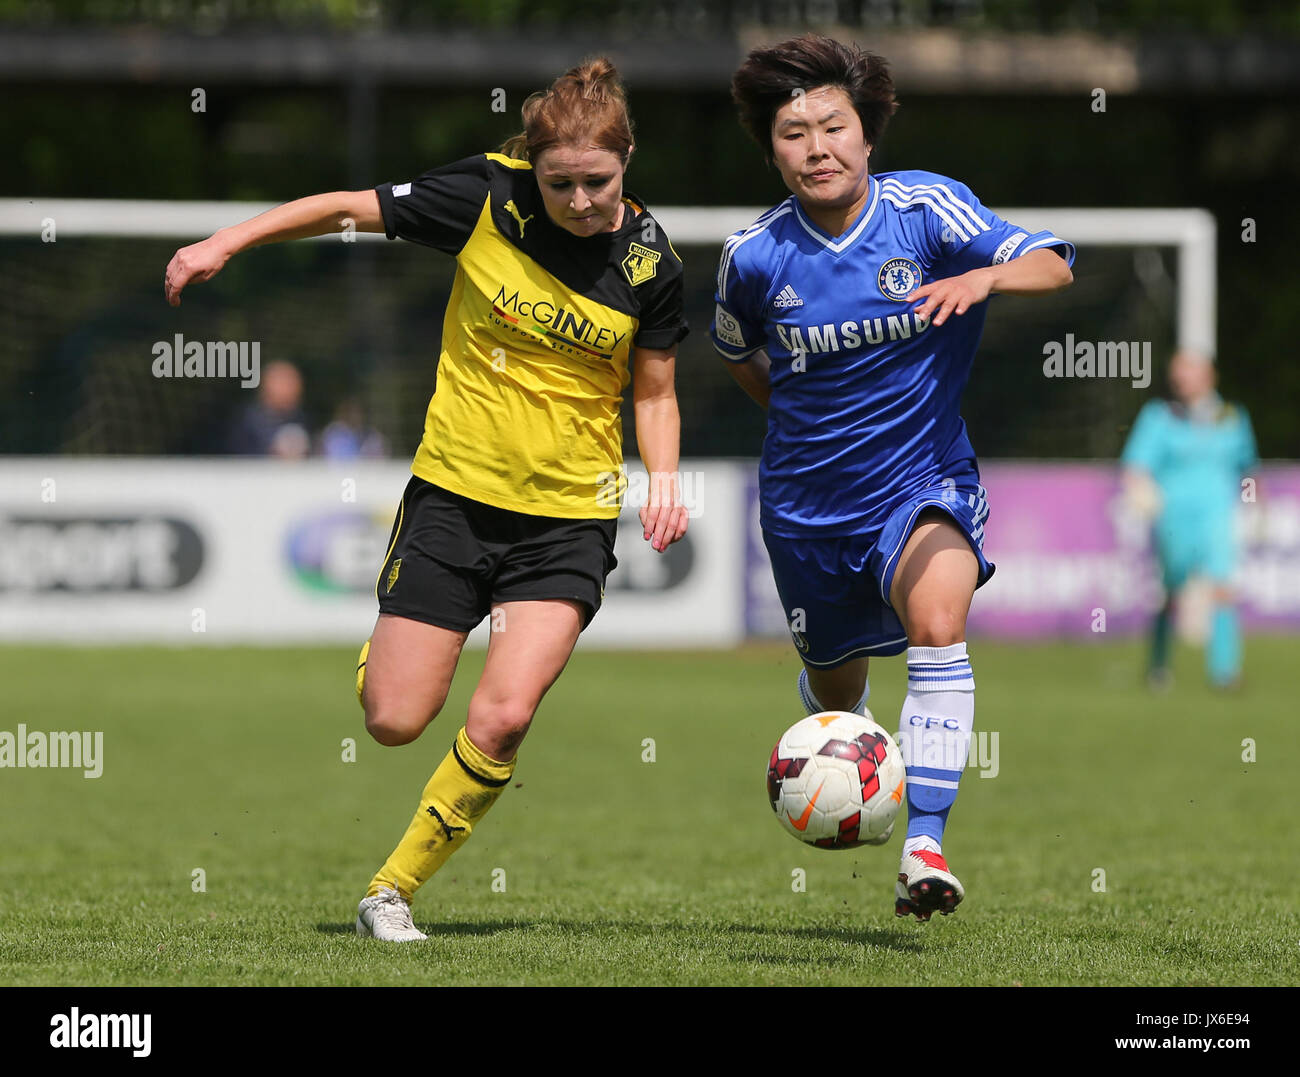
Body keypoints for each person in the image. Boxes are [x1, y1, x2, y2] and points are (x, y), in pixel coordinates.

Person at [164, 58, 689, 940]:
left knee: (506, 712)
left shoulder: (653, 263)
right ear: (534, 166)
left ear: (627, 160)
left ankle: (391, 890)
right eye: (559, 182)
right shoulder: (485, 198)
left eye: (597, 182)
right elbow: (342, 208)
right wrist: (228, 240)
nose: (579, 201)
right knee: (396, 719)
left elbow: (655, 391)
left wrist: (663, 479)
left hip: (568, 518)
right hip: (453, 497)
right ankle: (394, 648)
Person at [712, 34, 1074, 921]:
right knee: (837, 690)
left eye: (834, 126)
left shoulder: (926, 212)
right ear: (773, 151)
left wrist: (984, 278)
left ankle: (925, 841)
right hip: (805, 508)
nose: (817, 146)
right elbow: (737, 355)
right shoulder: (752, 256)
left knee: (937, 622)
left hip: (922, 476)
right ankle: (847, 725)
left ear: (867, 135)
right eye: (794, 134)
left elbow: (1055, 261)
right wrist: (809, 423)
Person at [1121, 349, 1257, 691]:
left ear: (1208, 375)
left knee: (1223, 587)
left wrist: (1256, 507)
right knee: (1172, 592)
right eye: (1177, 371)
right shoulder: (1159, 417)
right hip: (1173, 518)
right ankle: (1159, 665)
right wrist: (1140, 491)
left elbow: (1248, 469)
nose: (1180, 378)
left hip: (1217, 515)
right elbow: (1136, 466)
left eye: (1188, 371)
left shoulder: (1231, 417)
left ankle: (1225, 673)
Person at [226, 359, 310, 458]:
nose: (289, 387)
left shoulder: (303, 420)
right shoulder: (246, 423)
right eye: (282, 382)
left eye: (292, 382)